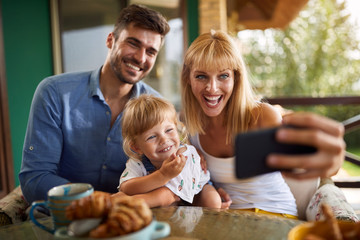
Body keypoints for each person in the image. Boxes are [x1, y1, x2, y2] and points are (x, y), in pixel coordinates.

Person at [18, 4, 183, 204]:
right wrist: (102, 202)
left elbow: (177, 167)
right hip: (65, 220)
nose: (140, 57)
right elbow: (36, 178)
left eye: (151, 52)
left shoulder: (159, 109)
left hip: (133, 220)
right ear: (110, 40)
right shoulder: (54, 93)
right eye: (133, 43)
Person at [180, 30, 346, 215]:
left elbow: (304, 161)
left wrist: (329, 158)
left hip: (275, 213)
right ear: (188, 77)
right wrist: (209, 191)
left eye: (223, 76)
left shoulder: (262, 117)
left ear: (236, 78)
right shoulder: (185, 125)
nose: (212, 88)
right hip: (226, 220)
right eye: (201, 76)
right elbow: (189, 183)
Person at [118, 95, 221, 208]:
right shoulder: (137, 161)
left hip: (196, 193)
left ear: (177, 129)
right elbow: (126, 188)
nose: (164, 140)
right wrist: (161, 176)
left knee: (213, 200)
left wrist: (163, 175)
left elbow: (168, 196)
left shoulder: (185, 155)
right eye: (151, 137)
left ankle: (126, 204)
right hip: (160, 197)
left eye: (169, 130)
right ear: (137, 148)